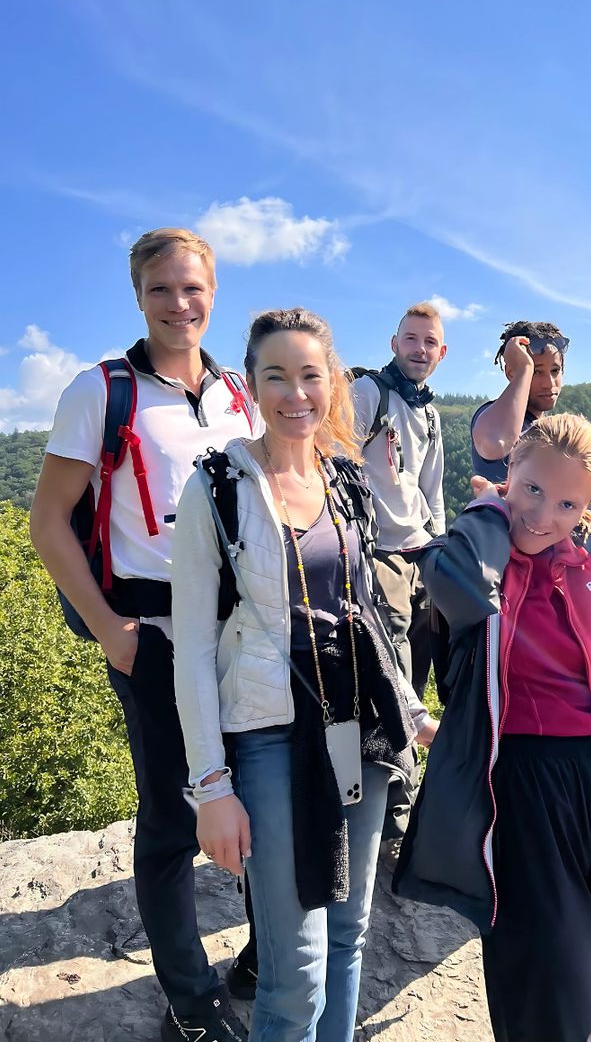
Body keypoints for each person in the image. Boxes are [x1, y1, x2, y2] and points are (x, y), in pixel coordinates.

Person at [394, 413, 591, 1042]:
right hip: (525, 788)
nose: (543, 515)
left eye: (569, 502)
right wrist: (491, 513)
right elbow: (460, 588)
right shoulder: (472, 550)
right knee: (546, 980)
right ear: (507, 471)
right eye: (533, 489)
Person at [172, 308, 436, 1042]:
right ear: (250, 385)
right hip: (271, 741)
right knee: (298, 969)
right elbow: (192, 647)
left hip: (359, 732)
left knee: (349, 938)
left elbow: (365, 616)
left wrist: (412, 710)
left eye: (310, 375)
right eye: (275, 376)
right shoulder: (217, 488)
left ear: (333, 383)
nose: (296, 394)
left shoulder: (346, 481)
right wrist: (212, 789)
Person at [29, 228, 257, 1042]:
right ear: (138, 296)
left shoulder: (238, 392)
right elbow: (48, 523)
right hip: (151, 631)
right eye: (161, 289)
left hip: (241, 632)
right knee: (171, 816)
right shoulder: (102, 390)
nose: (179, 304)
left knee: (256, 789)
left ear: (213, 290)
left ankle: (264, 957)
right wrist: (110, 631)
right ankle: (191, 1002)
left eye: (192, 288)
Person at [349, 302, 447, 838]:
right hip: (378, 553)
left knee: (422, 671)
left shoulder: (429, 412)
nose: (419, 350)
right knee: (396, 675)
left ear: (441, 352)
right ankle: (393, 808)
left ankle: (400, 798)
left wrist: (441, 552)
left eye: (429, 342)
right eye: (411, 339)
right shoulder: (369, 394)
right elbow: (337, 459)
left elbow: (430, 492)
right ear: (394, 343)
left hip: (420, 555)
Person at [470, 319, 569, 482]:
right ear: (511, 373)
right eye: (537, 372)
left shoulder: (550, 430)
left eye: (555, 370)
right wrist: (525, 368)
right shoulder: (492, 416)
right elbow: (496, 443)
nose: (549, 383)